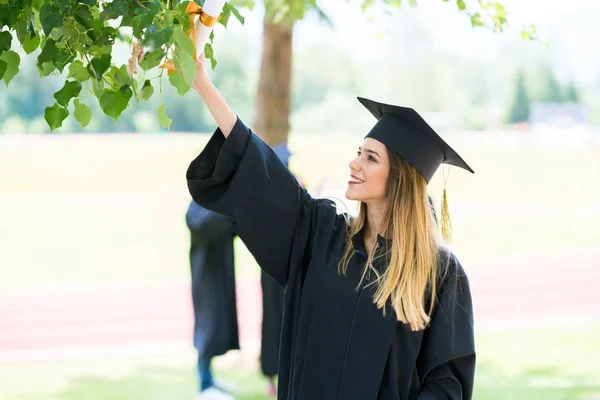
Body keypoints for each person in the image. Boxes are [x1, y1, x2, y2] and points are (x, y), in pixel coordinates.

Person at [186, 52, 476, 399]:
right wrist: (204, 85)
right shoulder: (322, 235)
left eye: (370, 158)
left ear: (399, 178)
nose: (353, 163)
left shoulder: (439, 272)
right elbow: (263, 174)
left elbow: (446, 385)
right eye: (359, 152)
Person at [185, 201, 238, 400]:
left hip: (221, 270)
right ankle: (204, 383)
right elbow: (197, 224)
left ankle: (210, 380)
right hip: (205, 273)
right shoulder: (201, 201)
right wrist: (224, 210)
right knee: (206, 325)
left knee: (218, 323)